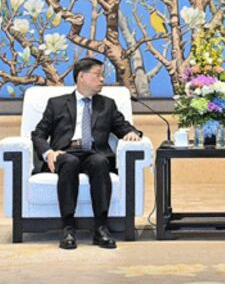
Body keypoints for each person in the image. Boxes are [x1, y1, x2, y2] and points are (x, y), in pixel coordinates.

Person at [31, 57, 142, 250]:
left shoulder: (107, 104)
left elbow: (123, 127)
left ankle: (101, 228)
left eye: (102, 75)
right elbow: (38, 134)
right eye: (97, 75)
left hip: (93, 152)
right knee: (70, 162)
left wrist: (132, 133)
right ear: (81, 77)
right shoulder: (56, 103)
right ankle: (67, 227)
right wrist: (48, 152)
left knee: (100, 162)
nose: (102, 80)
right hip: (65, 152)